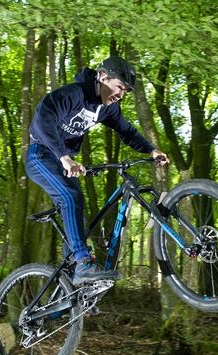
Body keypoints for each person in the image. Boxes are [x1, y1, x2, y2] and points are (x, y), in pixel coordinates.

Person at [26, 56, 168, 285]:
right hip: (40, 154)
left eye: (125, 91)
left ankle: (74, 280)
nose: (121, 95)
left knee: (77, 211)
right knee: (70, 196)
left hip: (63, 161)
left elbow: (127, 131)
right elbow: (43, 119)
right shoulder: (74, 94)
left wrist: (151, 150)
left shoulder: (108, 108)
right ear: (103, 77)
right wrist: (63, 156)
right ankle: (83, 263)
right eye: (119, 87)